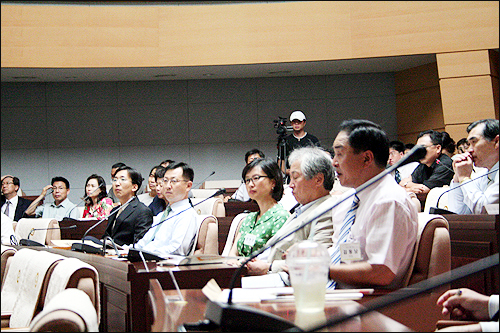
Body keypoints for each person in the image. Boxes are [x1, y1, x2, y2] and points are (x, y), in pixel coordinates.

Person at [328, 119, 418, 289]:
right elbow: (346, 254)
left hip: (362, 303)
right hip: (336, 290)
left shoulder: (388, 201)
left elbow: (381, 272)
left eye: (340, 154)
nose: (333, 162)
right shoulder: (355, 199)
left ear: (367, 158)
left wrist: (321, 270)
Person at [243, 146, 336, 275]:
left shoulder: (326, 210)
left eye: (295, 177)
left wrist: (268, 267)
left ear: (318, 180)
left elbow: (318, 260)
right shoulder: (301, 209)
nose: (290, 184)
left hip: (284, 281)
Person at [227, 158, 289, 259]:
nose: (250, 184)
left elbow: (276, 257)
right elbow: (232, 254)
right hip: (238, 270)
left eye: (256, 178)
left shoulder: (281, 217)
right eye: (247, 180)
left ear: (273, 182)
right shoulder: (249, 218)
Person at [134, 162, 198, 257]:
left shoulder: (186, 214)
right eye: (165, 181)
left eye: (174, 181)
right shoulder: (164, 214)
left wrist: (146, 253)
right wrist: (129, 251)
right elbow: (144, 242)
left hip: (164, 266)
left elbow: (177, 250)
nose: (167, 186)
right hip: (147, 258)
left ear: (188, 186)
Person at [448, 119, 499, 214]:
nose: (469, 150)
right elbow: (459, 213)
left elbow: (486, 211)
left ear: (496, 142)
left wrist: (464, 178)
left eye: (474, 142)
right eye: (468, 144)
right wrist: (457, 179)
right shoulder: (485, 174)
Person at [103, 165, 153, 246]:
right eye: (115, 180)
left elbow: (139, 244)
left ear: (134, 187)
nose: (117, 183)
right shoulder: (114, 211)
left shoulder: (142, 211)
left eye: (122, 179)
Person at [401, 129, 454, 196]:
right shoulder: (424, 163)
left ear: (438, 148)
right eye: (418, 149)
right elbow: (402, 182)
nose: (420, 152)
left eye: (423, 148)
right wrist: (408, 185)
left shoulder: (445, 164)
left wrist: (407, 187)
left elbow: (424, 190)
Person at [280, 110, 320, 180]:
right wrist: (287, 171)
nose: (296, 124)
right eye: (294, 122)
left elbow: (319, 159)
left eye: (299, 122)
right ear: (291, 124)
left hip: (309, 176)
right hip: (292, 177)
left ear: (304, 123)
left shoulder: (313, 139)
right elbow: (281, 159)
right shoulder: (286, 140)